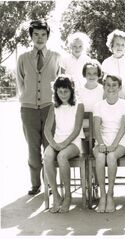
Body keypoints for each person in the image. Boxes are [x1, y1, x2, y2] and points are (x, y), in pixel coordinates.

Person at [16, 20, 62, 195]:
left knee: (49, 147)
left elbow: (60, 83)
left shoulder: (56, 56)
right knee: (33, 149)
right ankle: (35, 184)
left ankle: (50, 184)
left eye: (43, 34)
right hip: (28, 110)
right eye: (36, 34)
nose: (40, 38)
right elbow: (21, 82)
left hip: (50, 108)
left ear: (48, 36)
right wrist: (28, 99)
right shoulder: (23, 58)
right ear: (31, 36)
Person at [43, 76, 84, 213]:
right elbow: (47, 130)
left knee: (62, 156)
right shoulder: (54, 106)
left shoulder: (79, 105)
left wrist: (64, 144)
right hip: (57, 141)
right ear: (56, 92)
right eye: (60, 92)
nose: (63, 95)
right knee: (47, 156)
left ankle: (68, 196)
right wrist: (54, 144)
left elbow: (77, 129)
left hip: (73, 142)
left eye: (66, 91)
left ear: (71, 91)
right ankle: (56, 195)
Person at [93, 74, 125, 213]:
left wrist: (114, 145)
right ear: (104, 87)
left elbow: (123, 127)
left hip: (119, 142)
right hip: (101, 142)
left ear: (119, 87)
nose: (111, 88)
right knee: (101, 157)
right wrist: (101, 144)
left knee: (111, 156)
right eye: (108, 85)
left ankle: (110, 194)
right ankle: (102, 196)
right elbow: (96, 127)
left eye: (114, 85)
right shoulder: (98, 105)